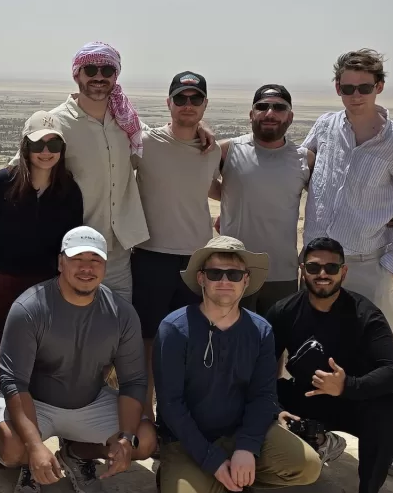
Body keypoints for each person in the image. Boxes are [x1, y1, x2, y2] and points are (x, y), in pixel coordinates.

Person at [154, 236, 322, 493]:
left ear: (246, 281)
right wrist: (213, 460)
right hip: (188, 442)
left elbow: (263, 396)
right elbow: (171, 406)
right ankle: (194, 479)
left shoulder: (260, 330)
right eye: (216, 273)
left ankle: (236, 480)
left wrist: (246, 447)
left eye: (234, 274)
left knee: (308, 465)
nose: (225, 281)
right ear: (201, 278)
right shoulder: (174, 330)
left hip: (239, 433)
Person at [302, 49, 393, 477]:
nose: (355, 96)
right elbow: (296, 165)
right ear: (337, 88)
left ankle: (386, 441)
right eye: (347, 87)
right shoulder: (325, 127)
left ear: (380, 87)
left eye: (364, 88)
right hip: (319, 267)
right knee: (315, 351)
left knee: (379, 358)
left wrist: (392, 266)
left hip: (370, 264)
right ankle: (316, 430)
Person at [0, 226, 156, 493]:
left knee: (146, 441)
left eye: (95, 260)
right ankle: (33, 464)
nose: (87, 268)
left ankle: (77, 453)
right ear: (60, 262)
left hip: (89, 402)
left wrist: (126, 438)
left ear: (105, 266)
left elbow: (133, 381)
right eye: (78, 259)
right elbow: (15, 383)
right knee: (11, 448)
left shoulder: (122, 313)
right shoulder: (29, 308)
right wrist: (34, 446)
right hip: (35, 403)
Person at [36, 42, 215, 301]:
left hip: (119, 255)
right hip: (74, 250)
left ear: (116, 76)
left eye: (107, 70)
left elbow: (165, 141)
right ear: (77, 74)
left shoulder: (126, 121)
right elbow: (20, 173)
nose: (99, 76)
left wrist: (198, 126)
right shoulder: (55, 123)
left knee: (120, 330)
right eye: (91, 69)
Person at [267, 237, 393, 493]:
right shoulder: (284, 311)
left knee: (388, 410)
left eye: (331, 267)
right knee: (263, 399)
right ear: (303, 270)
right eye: (314, 267)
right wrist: (274, 407)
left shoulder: (364, 313)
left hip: (355, 402)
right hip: (309, 398)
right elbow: (261, 368)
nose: (322, 274)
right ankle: (322, 440)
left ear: (343, 272)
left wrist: (346, 386)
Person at [0, 111, 84, 461]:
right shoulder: (2, 183)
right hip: (4, 282)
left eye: (54, 144)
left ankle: (25, 435)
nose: (46, 151)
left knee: (38, 362)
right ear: (26, 146)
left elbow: (69, 243)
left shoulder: (68, 191)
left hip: (47, 287)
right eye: (39, 144)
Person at [132, 71, 220, 418]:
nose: (187, 105)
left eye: (194, 99)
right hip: (151, 255)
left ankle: (179, 414)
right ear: (168, 103)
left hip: (197, 260)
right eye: (180, 98)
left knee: (191, 340)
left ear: (205, 105)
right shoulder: (143, 142)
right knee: (147, 341)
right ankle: (145, 417)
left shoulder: (212, 149)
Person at [209, 84, 314, 314]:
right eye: (262, 107)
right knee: (230, 344)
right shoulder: (228, 151)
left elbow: (326, 200)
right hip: (232, 272)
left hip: (282, 274)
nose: (270, 113)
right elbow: (198, 182)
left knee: (276, 346)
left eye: (279, 107)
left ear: (290, 116)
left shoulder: (304, 160)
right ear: (251, 114)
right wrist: (230, 198)